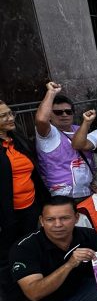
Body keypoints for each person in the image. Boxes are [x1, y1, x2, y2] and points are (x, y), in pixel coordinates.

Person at [0, 99, 45, 269]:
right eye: (3, 116)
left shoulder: (19, 141)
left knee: (29, 248)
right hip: (7, 215)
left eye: (11, 113)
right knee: (8, 255)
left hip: (31, 207)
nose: (10, 118)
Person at [34, 81, 93, 200]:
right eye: (58, 112)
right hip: (62, 197)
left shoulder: (80, 129)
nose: (64, 114)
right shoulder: (49, 134)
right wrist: (51, 92)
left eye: (68, 111)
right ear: (50, 115)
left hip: (88, 192)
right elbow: (41, 120)